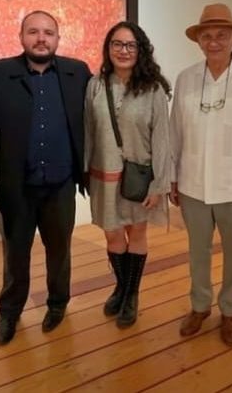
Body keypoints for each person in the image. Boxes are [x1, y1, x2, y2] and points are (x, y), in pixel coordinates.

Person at [0, 10, 92, 345]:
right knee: (16, 253)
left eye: (48, 32)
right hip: (17, 186)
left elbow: (96, 120)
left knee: (59, 251)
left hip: (61, 183)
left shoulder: (77, 72)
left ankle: (58, 303)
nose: (41, 38)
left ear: (58, 38)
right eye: (33, 32)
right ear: (21, 37)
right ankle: (9, 312)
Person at [170, 3, 232, 346]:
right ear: (199, 40)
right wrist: (172, 177)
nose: (214, 42)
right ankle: (200, 305)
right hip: (193, 183)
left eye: (221, 35)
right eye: (207, 36)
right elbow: (175, 132)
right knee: (197, 251)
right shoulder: (185, 79)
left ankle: (229, 310)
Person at [84, 21, 171, 328]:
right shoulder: (96, 85)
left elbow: (162, 139)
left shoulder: (153, 89)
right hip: (102, 175)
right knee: (112, 234)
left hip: (139, 177)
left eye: (130, 45)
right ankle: (121, 287)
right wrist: (84, 171)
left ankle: (131, 294)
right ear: (108, 49)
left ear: (140, 50)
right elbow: (88, 130)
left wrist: (159, 184)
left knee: (136, 233)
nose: (124, 50)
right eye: (117, 44)